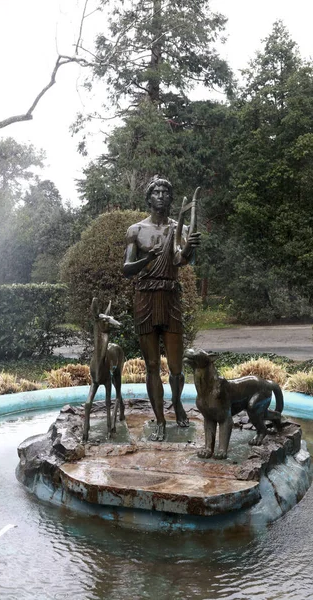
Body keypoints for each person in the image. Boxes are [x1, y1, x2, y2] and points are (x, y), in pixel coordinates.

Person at [123, 176, 201, 441]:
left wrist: (189, 249)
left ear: (170, 198)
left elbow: (180, 259)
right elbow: (126, 270)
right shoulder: (136, 230)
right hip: (145, 298)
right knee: (152, 365)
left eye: (165, 192)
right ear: (148, 198)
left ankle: (177, 402)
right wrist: (148, 258)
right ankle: (158, 419)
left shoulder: (179, 228)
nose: (161, 195)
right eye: (156, 191)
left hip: (170, 298)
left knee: (177, 366)